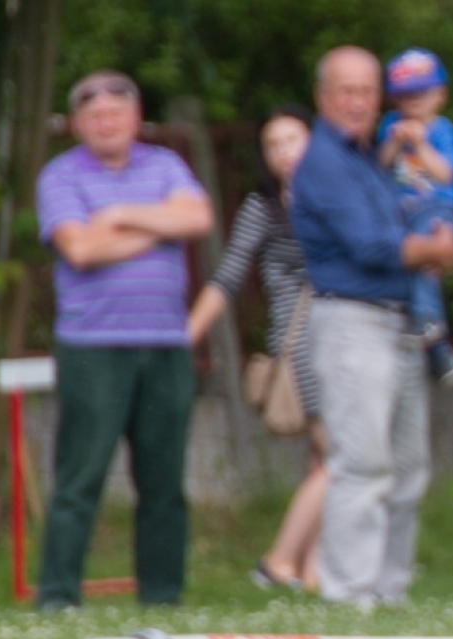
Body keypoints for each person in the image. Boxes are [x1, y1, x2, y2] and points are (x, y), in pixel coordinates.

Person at [290, 45, 453, 609]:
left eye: (368, 91)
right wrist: (437, 250)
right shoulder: (323, 161)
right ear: (323, 97)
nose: (359, 102)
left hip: (400, 322)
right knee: (362, 463)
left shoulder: (373, 156)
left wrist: (434, 248)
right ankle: (350, 594)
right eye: (347, 91)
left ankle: (391, 592)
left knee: (409, 467)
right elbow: (370, 245)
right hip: (352, 322)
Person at [34, 70, 215, 610]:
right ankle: (58, 597)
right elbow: (82, 250)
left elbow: (198, 217)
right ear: (76, 124)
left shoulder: (166, 165)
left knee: (164, 480)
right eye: (95, 115)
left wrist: (118, 217)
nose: (107, 122)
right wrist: (159, 228)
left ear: (136, 118)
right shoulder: (60, 176)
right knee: (80, 477)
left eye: (117, 112)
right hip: (93, 347)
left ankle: (162, 596)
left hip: (165, 344)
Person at [187, 104, 326, 592]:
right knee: (344, 458)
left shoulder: (336, 194)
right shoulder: (263, 208)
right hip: (302, 344)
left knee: (322, 460)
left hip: (340, 338)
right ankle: (279, 561)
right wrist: (187, 336)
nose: (284, 152)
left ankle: (314, 573)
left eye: (293, 140)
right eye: (273, 145)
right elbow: (226, 277)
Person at [378, 47, 453, 387]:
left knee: (426, 263)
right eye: (405, 95)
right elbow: (381, 165)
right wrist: (395, 142)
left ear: (439, 96)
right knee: (405, 262)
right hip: (400, 210)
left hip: (435, 208)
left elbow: (445, 173)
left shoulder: (443, 130)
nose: (413, 101)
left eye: (421, 94)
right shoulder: (390, 125)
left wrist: (420, 144)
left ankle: (428, 322)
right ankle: (436, 344)